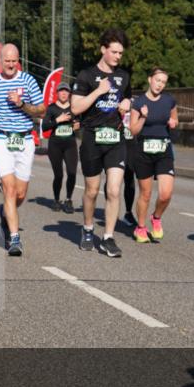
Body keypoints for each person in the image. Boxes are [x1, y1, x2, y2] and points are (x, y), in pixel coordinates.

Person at [0, 43, 45, 256]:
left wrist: (22, 103)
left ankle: (6, 212)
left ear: (18, 61)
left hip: (24, 140)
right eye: (7, 60)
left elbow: (41, 110)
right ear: (1, 61)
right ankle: (15, 239)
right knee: (9, 187)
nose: (11, 64)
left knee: (21, 193)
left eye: (14, 60)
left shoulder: (28, 81)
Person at [71, 28, 133, 258]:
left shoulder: (124, 76)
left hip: (115, 138)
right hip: (92, 138)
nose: (118, 56)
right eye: (114, 52)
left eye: (120, 53)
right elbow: (76, 108)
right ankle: (87, 229)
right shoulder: (86, 75)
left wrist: (127, 102)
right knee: (92, 190)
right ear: (103, 50)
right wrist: (98, 91)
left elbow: (127, 95)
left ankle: (108, 237)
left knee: (114, 190)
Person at [129, 67, 178, 243]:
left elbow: (174, 118)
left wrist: (173, 122)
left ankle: (156, 218)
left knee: (166, 194)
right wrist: (143, 117)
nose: (160, 85)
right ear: (150, 79)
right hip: (143, 151)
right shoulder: (139, 102)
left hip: (164, 150)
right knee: (146, 193)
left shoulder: (169, 101)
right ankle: (140, 227)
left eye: (163, 82)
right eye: (158, 80)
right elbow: (133, 130)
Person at [41, 82, 78, 213]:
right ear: (57, 93)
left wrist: (77, 126)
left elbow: (79, 123)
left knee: (72, 173)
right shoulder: (51, 108)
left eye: (66, 91)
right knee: (59, 175)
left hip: (70, 145)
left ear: (69, 94)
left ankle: (68, 199)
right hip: (55, 145)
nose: (63, 93)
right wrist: (58, 120)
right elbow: (44, 126)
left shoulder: (74, 109)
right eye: (61, 91)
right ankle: (56, 200)